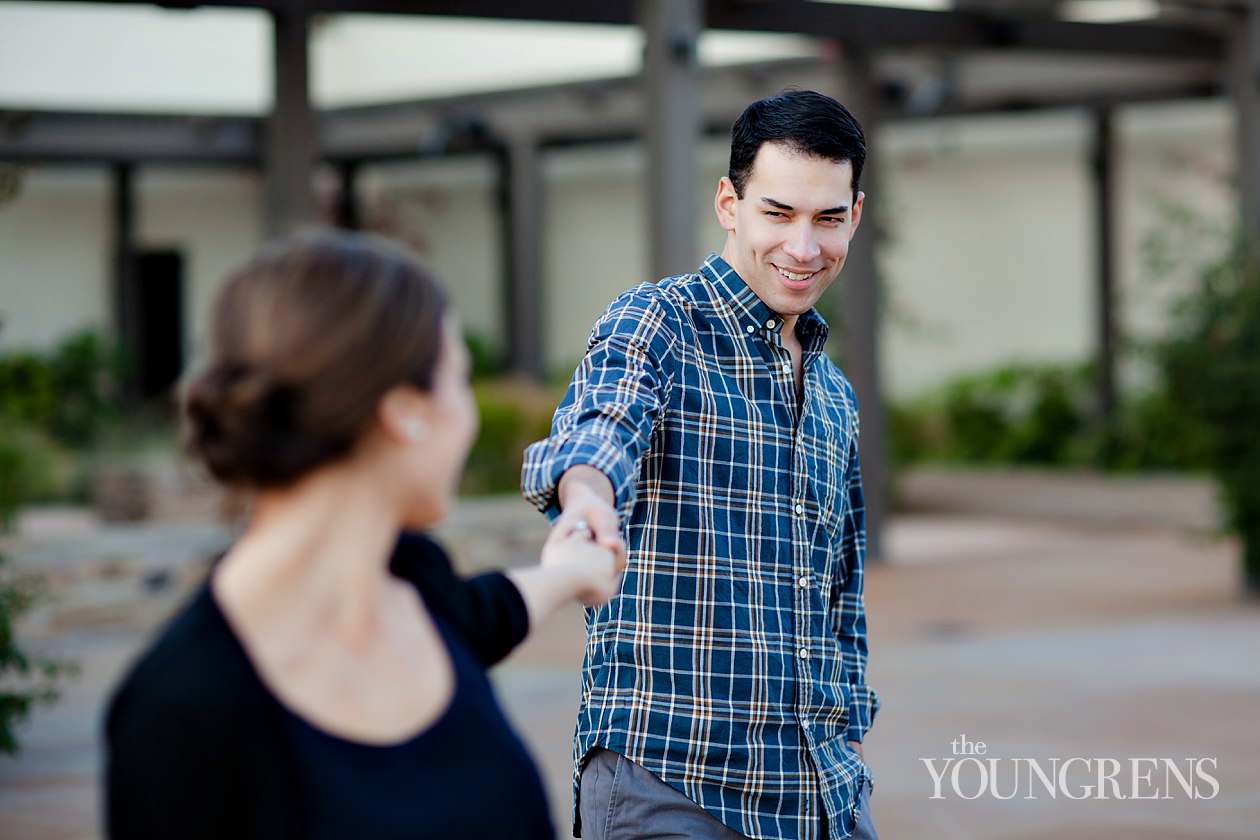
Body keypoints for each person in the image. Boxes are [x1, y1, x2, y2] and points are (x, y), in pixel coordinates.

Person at [105, 231, 625, 839]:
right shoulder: (183, 707)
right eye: (458, 379)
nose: (470, 415)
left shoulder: (414, 581)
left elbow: (490, 609)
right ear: (405, 409)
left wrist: (570, 571)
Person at [522, 90, 880, 840]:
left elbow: (841, 590)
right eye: (778, 214)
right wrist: (587, 498)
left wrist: (847, 723)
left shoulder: (835, 394)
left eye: (829, 218)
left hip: (820, 795)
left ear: (856, 213)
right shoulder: (656, 322)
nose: (804, 248)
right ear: (729, 202)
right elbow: (598, 429)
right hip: (673, 789)